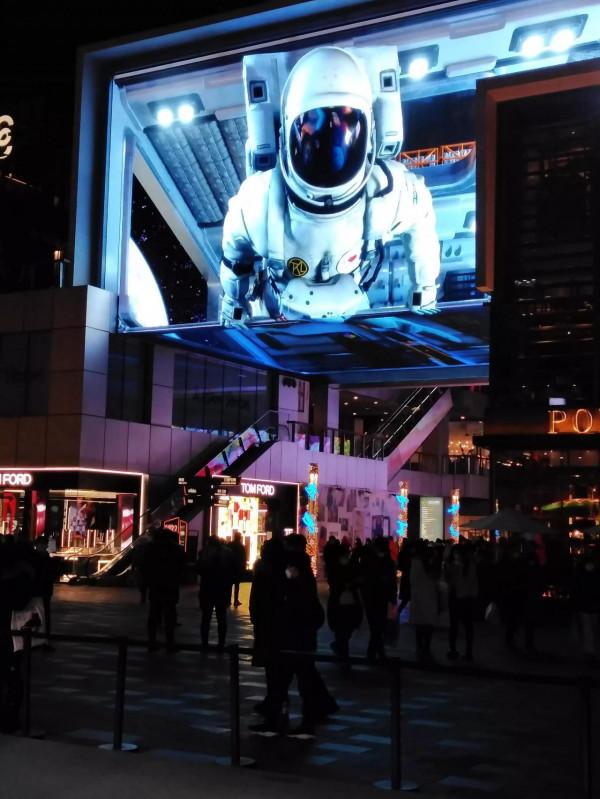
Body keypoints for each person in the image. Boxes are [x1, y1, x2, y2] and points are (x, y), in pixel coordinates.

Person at [220, 45, 439, 326]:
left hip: (344, 316)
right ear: (286, 137)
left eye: (344, 126)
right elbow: (234, 264)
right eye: (314, 125)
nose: (330, 142)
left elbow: (422, 218)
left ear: (369, 136)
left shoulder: (388, 190)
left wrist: (426, 289)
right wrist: (424, 289)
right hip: (284, 316)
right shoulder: (256, 205)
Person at [140, 526, 185, 653]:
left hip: (155, 585)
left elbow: (144, 565)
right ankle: (170, 643)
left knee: (154, 613)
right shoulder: (176, 549)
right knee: (169, 613)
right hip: (170, 585)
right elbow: (182, 565)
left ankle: (152, 641)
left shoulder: (151, 548)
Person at [360, 535, 397, 662]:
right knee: (378, 626)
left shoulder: (369, 561)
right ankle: (376, 652)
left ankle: (375, 651)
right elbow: (391, 582)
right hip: (381, 597)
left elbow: (364, 579)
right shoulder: (388, 562)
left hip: (371, 597)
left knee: (375, 626)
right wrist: (393, 599)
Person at [197, 536, 234, 650]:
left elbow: (199, 569)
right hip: (222, 588)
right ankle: (221, 643)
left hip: (207, 587)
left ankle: (204, 643)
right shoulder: (228, 553)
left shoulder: (204, 552)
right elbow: (232, 570)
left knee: (206, 617)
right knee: (221, 617)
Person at [327, 541, 362, 660]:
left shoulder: (334, 567)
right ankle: (342, 649)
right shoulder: (351, 565)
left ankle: (341, 647)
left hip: (340, 601)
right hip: (347, 601)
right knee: (345, 626)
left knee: (341, 627)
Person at [444, 543, 478, 661]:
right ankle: (466, 652)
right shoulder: (469, 565)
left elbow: (451, 581)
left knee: (456, 625)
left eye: (456, 553)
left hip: (459, 598)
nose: (456, 555)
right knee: (466, 626)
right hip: (465, 598)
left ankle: (455, 650)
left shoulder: (460, 566)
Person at [409, 541, 440, 664]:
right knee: (428, 624)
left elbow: (413, 580)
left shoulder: (415, 563)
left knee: (419, 624)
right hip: (430, 595)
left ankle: (419, 647)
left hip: (418, 596)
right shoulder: (431, 562)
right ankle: (426, 647)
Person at [571, 550, 600, 663]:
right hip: (591, 603)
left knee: (589, 628)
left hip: (586, 603)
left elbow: (577, 588)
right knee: (591, 627)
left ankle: (590, 650)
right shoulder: (595, 572)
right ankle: (590, 650)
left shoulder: (580, 571)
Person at [228, 532, 246, 607]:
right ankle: (235, 600)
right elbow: (243, 557)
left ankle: (228, 600)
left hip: (230, 567)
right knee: (237, 584)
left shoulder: (230, 544)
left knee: (229, 584)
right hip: (237, 567)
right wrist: (243, 567)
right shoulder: (241, 546)